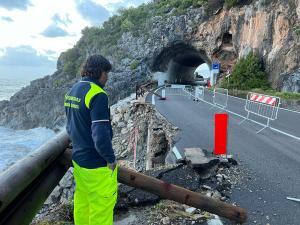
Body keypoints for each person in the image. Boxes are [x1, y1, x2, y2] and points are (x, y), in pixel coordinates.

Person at [64, 54, 117, 225]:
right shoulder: (98, 95)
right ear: (100, 72)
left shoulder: (72, 91)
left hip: (78, 161)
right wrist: (110, 159)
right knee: (101, 208)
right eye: (106, 73)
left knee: (83, 202)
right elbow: (100, 136)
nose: (107, 77)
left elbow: (69, 127)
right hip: (96, 165)